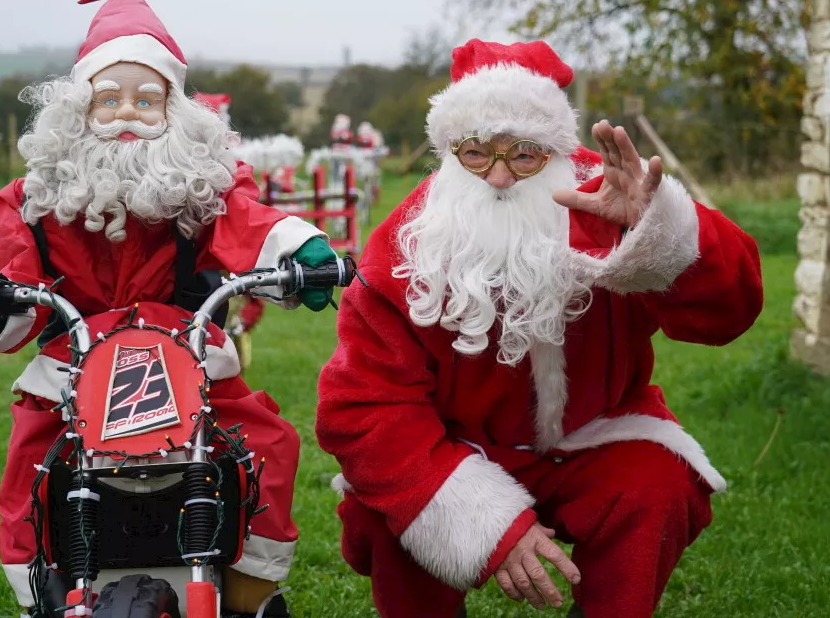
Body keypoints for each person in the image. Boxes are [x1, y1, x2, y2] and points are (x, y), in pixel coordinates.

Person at [0, 0, 336, 618]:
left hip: (187, 352)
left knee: (266, 441)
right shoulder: (37, 199)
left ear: (175, 110)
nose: (126, 115)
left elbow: (244, 221)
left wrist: (297, 253)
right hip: (75, 360)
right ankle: (45, 593)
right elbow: (25, 284)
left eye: (148, 100)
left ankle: (251, 593)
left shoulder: (204, 186)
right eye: (107, 99)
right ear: (78, 110)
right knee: (33, 459)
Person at [315, 39, 764, 618]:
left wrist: (657, 229)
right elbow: (364, 408)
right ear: (450, 150)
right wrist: (482, 522)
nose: (499, 177)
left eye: (524, 155)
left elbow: (733, 312)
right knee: (388, 504)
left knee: (659, 482)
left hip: (590, 438)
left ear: (555, 150)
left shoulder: (605, 201)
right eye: (475, 153)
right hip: (456, 446)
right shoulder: (405, 243)